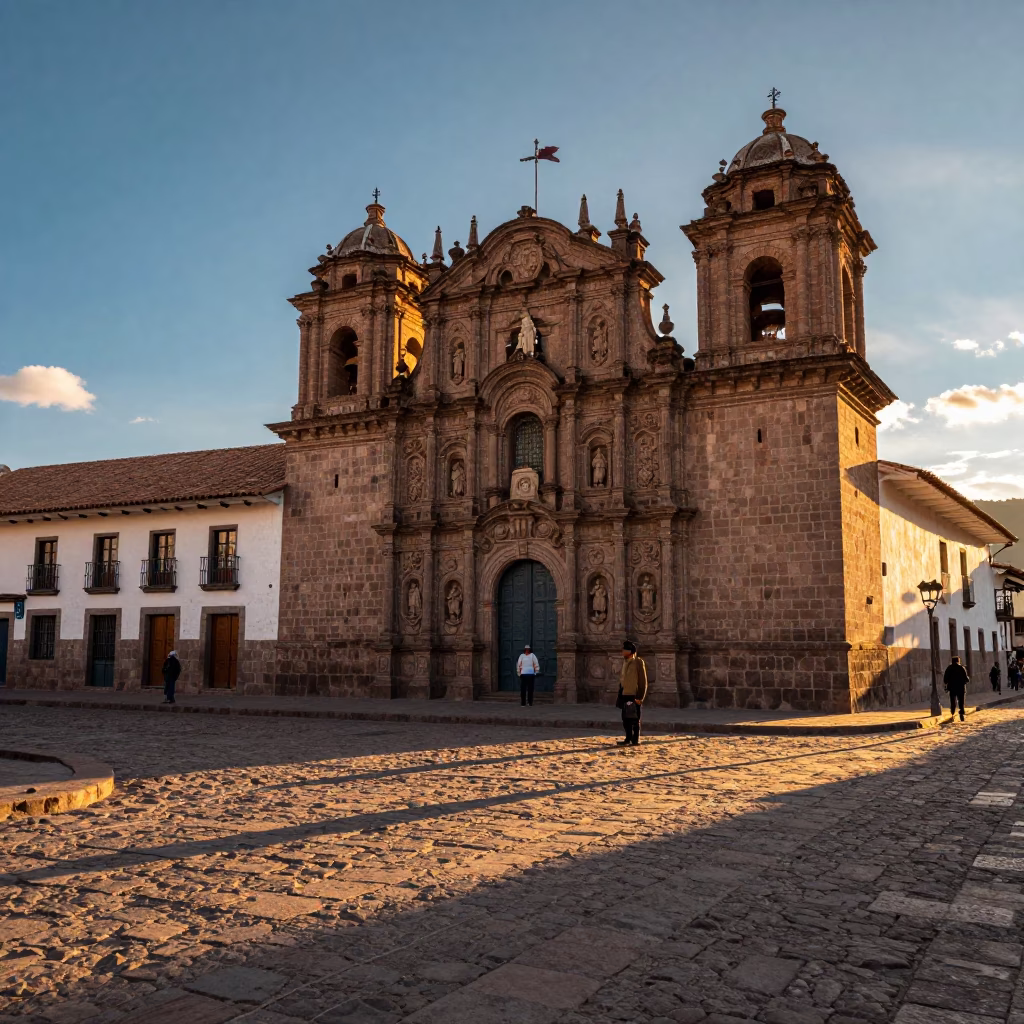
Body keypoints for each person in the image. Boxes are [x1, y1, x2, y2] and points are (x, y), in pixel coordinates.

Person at [616, 640, 648, 746]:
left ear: (630, 651)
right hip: (625, 693)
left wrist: (640, 697)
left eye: (624, 649)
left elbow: (643, 681)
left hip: (634, 694)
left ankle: (635, 739)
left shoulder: (638, 662)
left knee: (634, 718)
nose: (622, 651)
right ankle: (628, 738)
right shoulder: (625, 662)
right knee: (625, 718)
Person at [943, 655, 969, 722]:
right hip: (961, 688)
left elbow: (945, 679)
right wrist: (966, 680)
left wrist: (947, 683)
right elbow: (966, 678)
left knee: (953, 701)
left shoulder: (949, 668)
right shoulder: (961, 668)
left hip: (952, 688)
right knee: (961, 702)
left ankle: (952, 713)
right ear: (958, 660)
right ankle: (961, 714)